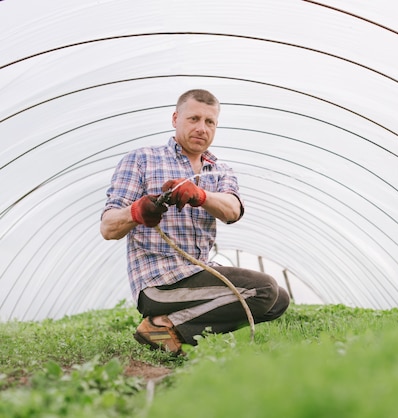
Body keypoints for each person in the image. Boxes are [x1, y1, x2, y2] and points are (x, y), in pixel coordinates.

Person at [100, 89, 290, 355]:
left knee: (279, 300)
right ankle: (163, 323)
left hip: (200, 273)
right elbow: (108, 227)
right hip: (161, 284)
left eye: (209, 122)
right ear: (175, 118)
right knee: (264, 289)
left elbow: (232, 210)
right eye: (194, 119)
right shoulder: (142, 159)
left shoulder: (220, 170)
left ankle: (166, 327)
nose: (202, 128)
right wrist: (137, 212)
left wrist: (200, 196)